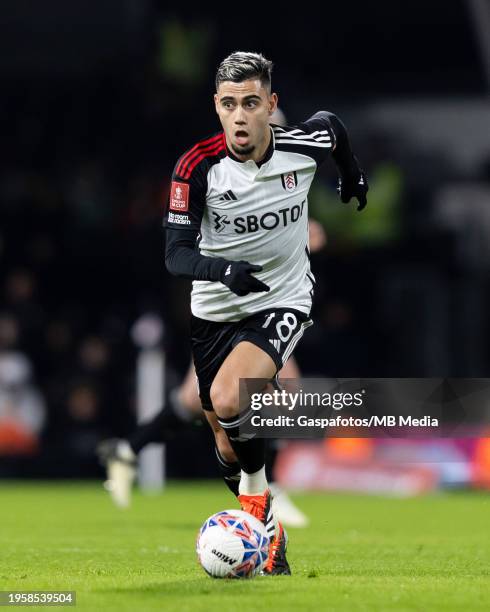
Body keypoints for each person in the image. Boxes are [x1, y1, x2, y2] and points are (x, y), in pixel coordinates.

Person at [162, 51, 366, 575]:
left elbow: (334, 130)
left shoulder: (299, 147)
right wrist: (223, 271)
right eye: (228, 104)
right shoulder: (196, 166)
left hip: (283, 298)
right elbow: (175, 253)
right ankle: (269, 528)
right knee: (224, 436)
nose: (238, 116)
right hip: (215, 308)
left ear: (270, 106)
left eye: (250, 103)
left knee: (232, 397)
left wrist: (352, 176)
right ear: (216, 106)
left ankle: (260, 512)